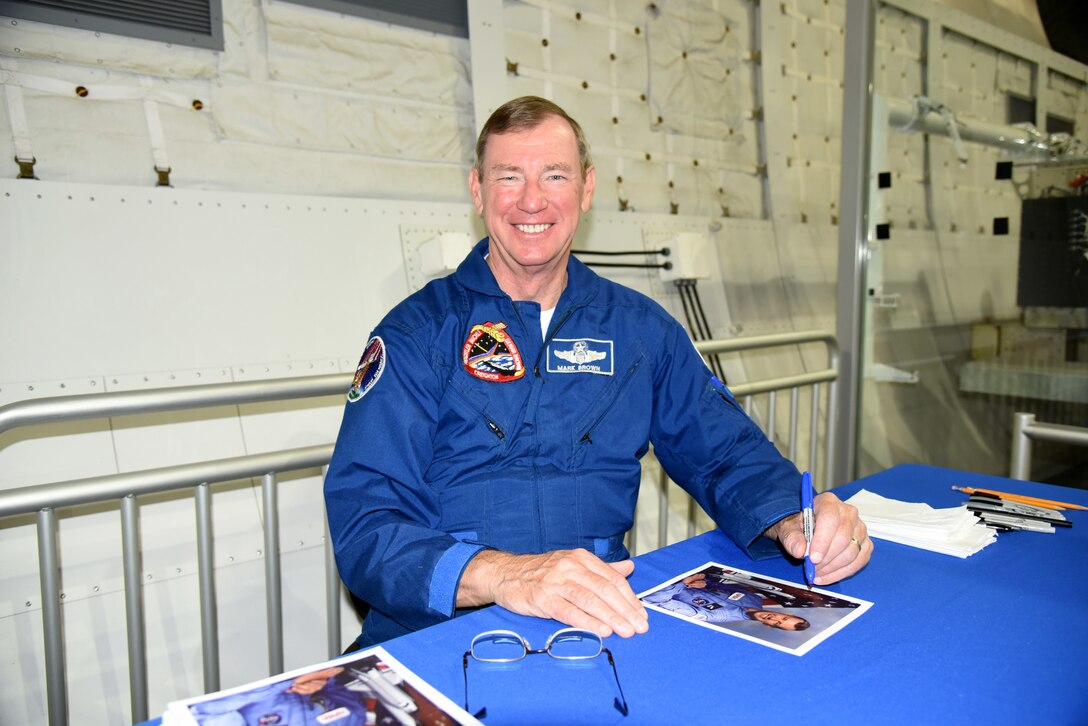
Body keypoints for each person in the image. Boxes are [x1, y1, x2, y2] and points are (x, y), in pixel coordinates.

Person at [324, 95, 871, 650]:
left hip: (596, 627)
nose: (531, 200)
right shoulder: (416, 333)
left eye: (554, 175)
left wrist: (796, 518)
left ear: (586, 188)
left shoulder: (640, 331)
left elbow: (726, 452)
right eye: (509, 176)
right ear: (478, 190)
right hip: (438, 635)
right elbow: (366, 524)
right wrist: (504, 576)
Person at [642, 573, 809, 630]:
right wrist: (705, 581)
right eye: (783, 618)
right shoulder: (755, 599)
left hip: (652, 583)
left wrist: (683, 583)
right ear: (786, 613)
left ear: (769, 626)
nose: (773, 618)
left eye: (777, 624)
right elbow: (717, 583)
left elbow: (653, 601)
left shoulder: (715, 617)